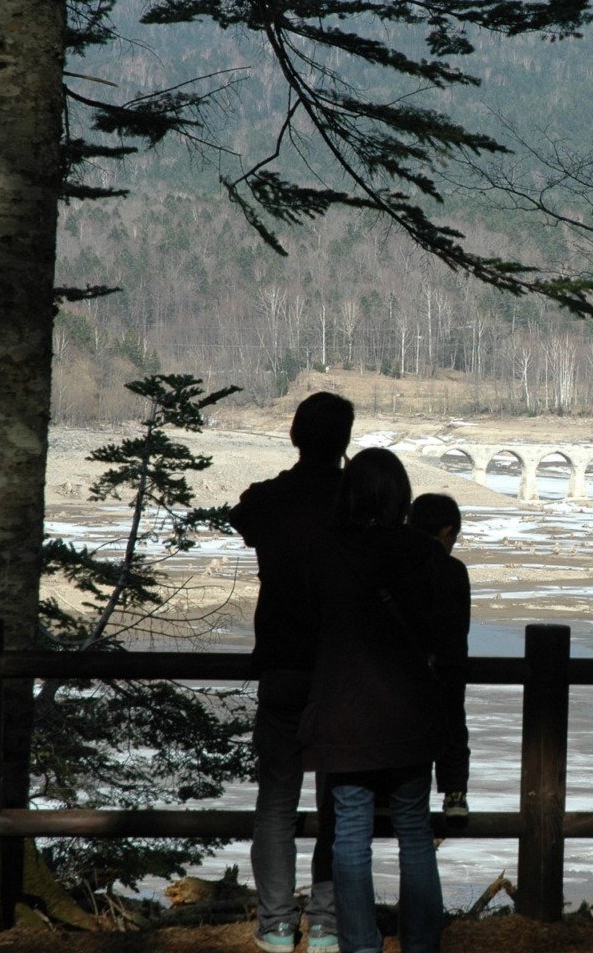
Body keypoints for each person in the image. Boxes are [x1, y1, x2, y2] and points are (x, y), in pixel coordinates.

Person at [303, 450, 470, 953]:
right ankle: (421, 943)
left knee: (350, 835)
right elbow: (444, 638)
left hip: (345, 713)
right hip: (410, 712)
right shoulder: (425, 556)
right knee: (414, 831)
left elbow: (309, 628)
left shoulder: (327, 551)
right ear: (400, 494)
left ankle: (359, 944)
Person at [231, 392, 354, 953]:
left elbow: (245, 514)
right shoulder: (356, 502)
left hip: (282, 661)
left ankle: (278, 924)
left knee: (276, 802)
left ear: (294, 436)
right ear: (345, 441)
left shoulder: (270, 501)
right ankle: (327, 923)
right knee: (339, 802)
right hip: (343, 667)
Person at [410, 492, 472, 828]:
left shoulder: (399, 566)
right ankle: (455, 794)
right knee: (453, 732)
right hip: (448, 670)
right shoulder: (453, 570)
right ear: (447, 531)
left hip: (404, 673)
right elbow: (460, 626)